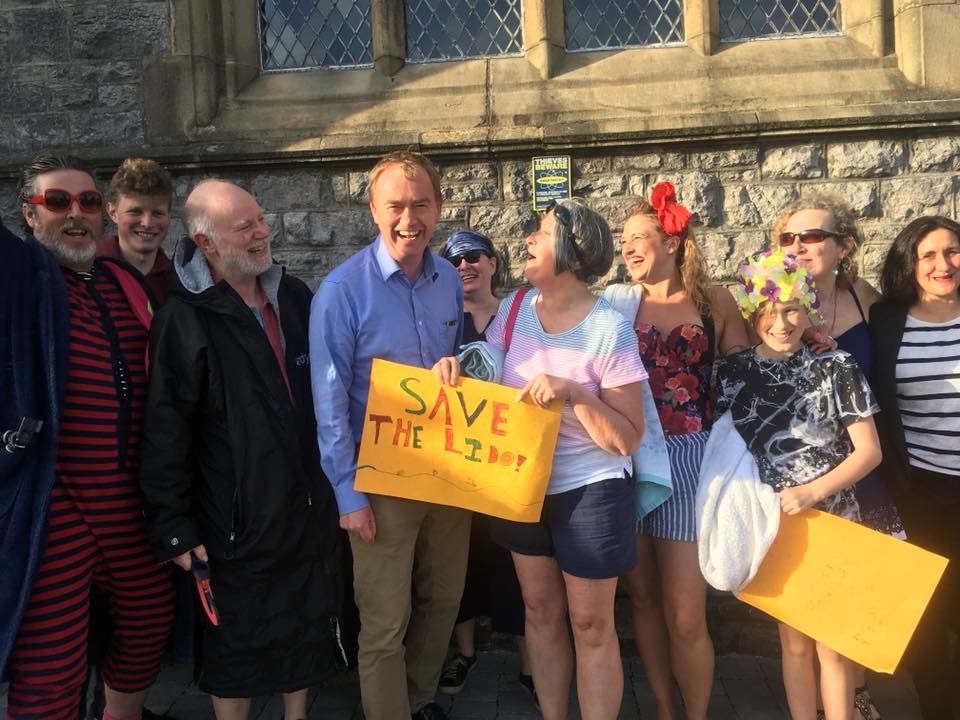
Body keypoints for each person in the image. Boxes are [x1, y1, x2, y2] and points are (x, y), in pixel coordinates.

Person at [433, 198, 647, 720]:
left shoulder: (608, 329)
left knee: (591, 626)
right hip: (522, 484)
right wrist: (454, 370)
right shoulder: (512, 310)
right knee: (540, 611)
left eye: (542, 232)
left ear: (574, 251)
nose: (527, 238)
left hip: (590, 489)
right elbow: (490, 383)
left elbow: (627, 438)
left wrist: (575, 393)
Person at [138, 179, 342, 720]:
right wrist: (173, 525)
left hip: (304, 504)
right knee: (235, 644)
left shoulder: (295, 296)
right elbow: (164, 430)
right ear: (206, 243)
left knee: (304, 626)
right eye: (243, 226)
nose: (261, 232)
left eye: (260, 219)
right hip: (230, 521)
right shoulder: (182, 318)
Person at [3, 154, 175, 720]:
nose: (75, 213)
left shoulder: (121, 279)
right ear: (28, 215)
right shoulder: (22, 278)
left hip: (128, 504)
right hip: (57, 507)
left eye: (88, 201)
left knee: (150, 621)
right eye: (57, 202)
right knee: (51, 664)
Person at [309, 151, 470, 720]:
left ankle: (420, 699)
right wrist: (347, 495)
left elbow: (460, 363)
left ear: (439, 207)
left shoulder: (448, 279)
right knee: (384, 621)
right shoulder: (342, 290)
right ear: (374, 211)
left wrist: (461, 367)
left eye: (420, 204)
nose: (409, 218)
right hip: (380, 484)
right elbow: (328, 404)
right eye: (396, 205)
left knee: (444, 600)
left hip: (449, 478)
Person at [716, 249, 882, 720]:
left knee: (832, 644)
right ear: (752, 312)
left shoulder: (837, 366)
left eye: (791, 307)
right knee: (791, 643)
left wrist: (814, 491)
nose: (780, 321)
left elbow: (870, 451)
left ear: (809, 309)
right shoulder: (733, 374)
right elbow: (724, 453)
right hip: (773, 524)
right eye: (768, 309)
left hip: (834, 520)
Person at [605, 182, 749, 720]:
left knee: (686, 613)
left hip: (693, 458)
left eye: (640, 237)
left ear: (672, 242)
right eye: (624, 241)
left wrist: (804, 339)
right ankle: (664, 709)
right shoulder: (616, 305)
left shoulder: (716, 301)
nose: (629, 248)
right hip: (632, 456)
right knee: (641, 599)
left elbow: (745, 370)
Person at [773, 195, 903, 720]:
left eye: (813, 236)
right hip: (801, 479)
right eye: (789, 238)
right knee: (803, 615)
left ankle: (854, 698)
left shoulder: (863, 297)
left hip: (866, 471)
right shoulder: (772, 304)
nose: (799, 246)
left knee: (853, 609)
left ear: (843, 246)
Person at [436, 230, 534, 701]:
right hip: (456, 467)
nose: (465, 266)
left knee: (519, 564)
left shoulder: (519, 316)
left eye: (474, 256)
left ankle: (531, 664)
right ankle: (466, 654)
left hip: (508, 462)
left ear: (494, 262)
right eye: (454, 260)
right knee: (463, 563)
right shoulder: (440, 319)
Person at [870, 216, 960, 720]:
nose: (942, 264)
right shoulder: (887, 319)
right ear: (910, 262)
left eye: (952, 251)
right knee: (927, 618)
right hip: (919, 490)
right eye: (928, 255)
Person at [97, 158, 175, 303]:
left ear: (169, 215)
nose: (147, 223)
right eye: (135, 212)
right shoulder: (90, 274)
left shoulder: (181, 284)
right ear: (113, 212)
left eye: (157, 213)